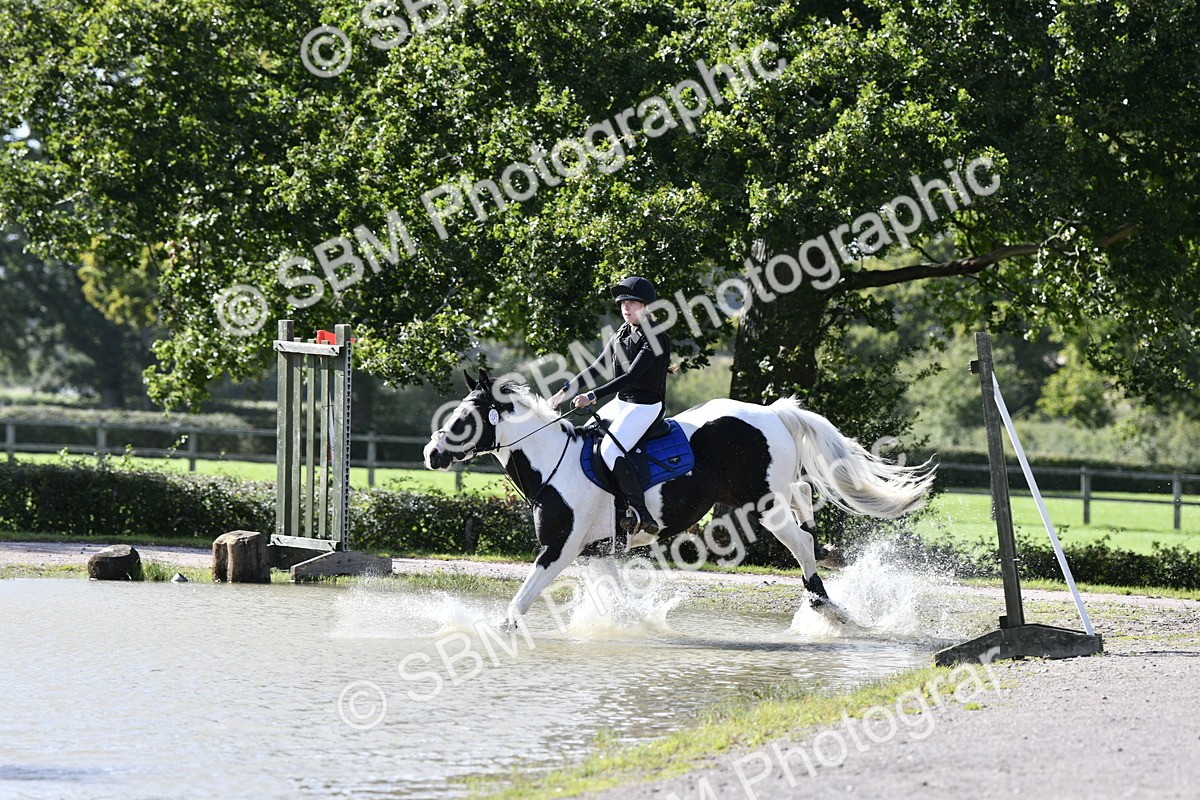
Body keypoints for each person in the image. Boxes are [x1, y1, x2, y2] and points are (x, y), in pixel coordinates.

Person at [549, 276, 671, 536]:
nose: (626, 307)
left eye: (633, 303)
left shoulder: (656, 335)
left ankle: (639, 511)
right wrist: (561, 393)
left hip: (646, 406)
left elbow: (631, 377)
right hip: (622, 403)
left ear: (646, 305)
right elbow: (596, 368)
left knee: (610, 450)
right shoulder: (621, 334)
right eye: (623, 303)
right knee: (584, 439)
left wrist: (591, 397)